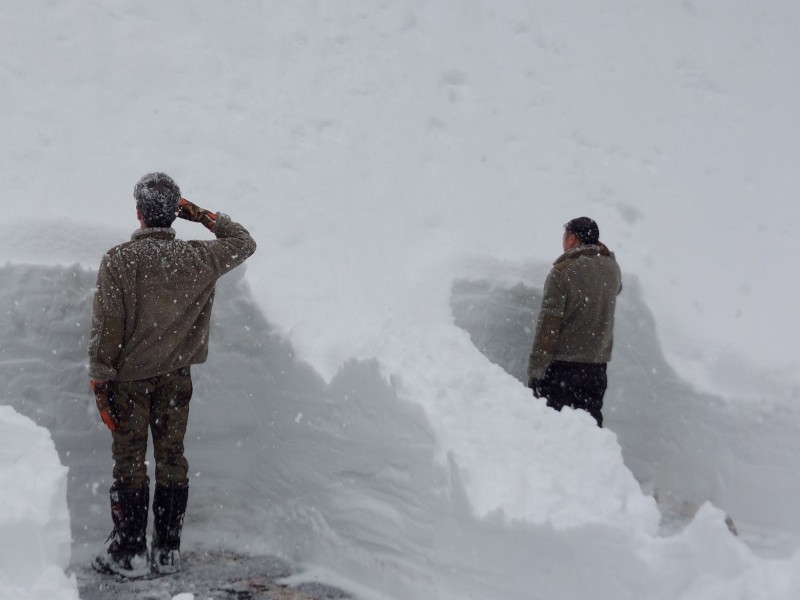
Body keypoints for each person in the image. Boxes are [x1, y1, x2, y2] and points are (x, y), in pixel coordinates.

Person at [88, 172, 257, 577]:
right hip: (176, 378)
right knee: (172, 458)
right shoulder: (199, 257)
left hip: (128, 381)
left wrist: (100, 378)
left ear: (140, 214)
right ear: (174, 215)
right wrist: (201, 215)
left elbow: (108, 325)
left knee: (129, 461)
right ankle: (167, 551)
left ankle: (129, 553)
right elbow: (245, 242)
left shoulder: (119, 260)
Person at [527, 217, 621, 427]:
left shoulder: (562, 273)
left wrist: (536, 370)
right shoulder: (613, 269)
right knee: (589, 430)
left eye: (565, 237)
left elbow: (548, 327)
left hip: (563, 368)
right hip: (596, 367)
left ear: (571, 238)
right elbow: (615, 289)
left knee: (552, 429)